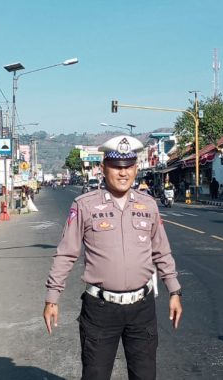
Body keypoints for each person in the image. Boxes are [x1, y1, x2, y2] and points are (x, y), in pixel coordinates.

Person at [43, 135, 183, 380]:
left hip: (142, 308)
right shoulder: (84, 205)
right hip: (100, 310)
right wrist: (52, 297)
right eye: (117, 167)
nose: (123, 173)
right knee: (95, 375)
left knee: (145, 375)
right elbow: (66, 253)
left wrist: (174, 291)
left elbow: (161, 250)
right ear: (103, 168)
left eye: (128, 166)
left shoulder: (148, 205)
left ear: (136, 168)